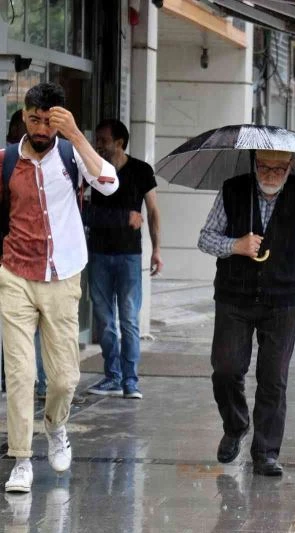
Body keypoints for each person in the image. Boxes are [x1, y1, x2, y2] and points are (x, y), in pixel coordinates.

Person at [0, 82, 119, 493]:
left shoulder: (71, 155)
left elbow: (109, 184)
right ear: (24, 118)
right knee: (18, 374)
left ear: (59, 120)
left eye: (49, 121)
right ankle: (21, 459)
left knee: (65, 379)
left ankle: (55, 426)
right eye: (34, 119)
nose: (40, 128)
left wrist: (76, 135)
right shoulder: (6, 161)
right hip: (15, 275)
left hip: (63, 276)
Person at [198, 149, 295, 477]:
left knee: (274, 378)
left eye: (278, 168)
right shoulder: (232, 189)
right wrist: (235, 245)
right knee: (226, 369)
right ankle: (236, 425)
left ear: (291, 166)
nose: (270, 173)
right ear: (253, 163)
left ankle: (266, 453)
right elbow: (205, 238)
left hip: (281, 299)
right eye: (263, 166)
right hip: (234, 295)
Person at [85, 119, 162, 400]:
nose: (98, 146)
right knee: (105, 321)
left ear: (119, 142)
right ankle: (113, 376)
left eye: (103, 140)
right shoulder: (91, 170)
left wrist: (157, 250)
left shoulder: (141, 170)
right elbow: (84, 212)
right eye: (97, 140)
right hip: (99, 254)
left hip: (130, 256)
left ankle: (131, 381)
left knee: (129, 320)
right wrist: (122, 218)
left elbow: (152, 212)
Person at [5, 110, 47, 401]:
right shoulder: (8, 164)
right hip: (11, 262)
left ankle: (37, 382)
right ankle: (26, 382)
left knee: (33, 335)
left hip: (31, 266)